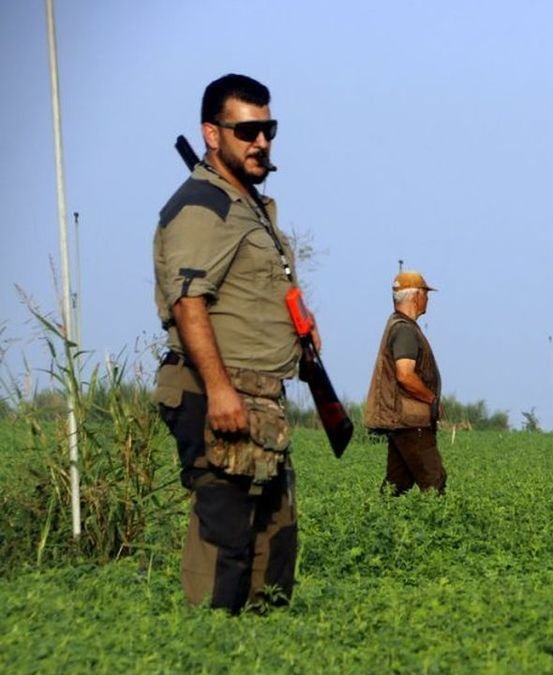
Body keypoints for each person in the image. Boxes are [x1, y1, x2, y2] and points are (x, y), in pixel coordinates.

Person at [153, 74, 305, 614]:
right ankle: (209, 651)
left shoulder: (249, 207)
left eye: (268, 129)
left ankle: (260, 651)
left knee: (273, 543)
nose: (261, 141)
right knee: (226, 541)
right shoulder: (203, 205)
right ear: (212, 135)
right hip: (220, 390)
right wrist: (219, 392)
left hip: (260, 396)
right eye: (247, 130)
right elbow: (187, 303)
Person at [364, 270, 447, 495]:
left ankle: (375, 523)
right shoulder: (405, 331)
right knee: (434, 480)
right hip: (410, 420)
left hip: (401, 419)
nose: (428, 299)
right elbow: (405, 374)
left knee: (396, 483)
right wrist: (432, 400)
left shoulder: (398, 326)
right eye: (426, 293)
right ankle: (438, 526)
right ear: (416, 295)